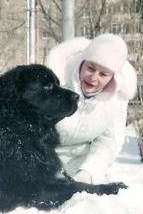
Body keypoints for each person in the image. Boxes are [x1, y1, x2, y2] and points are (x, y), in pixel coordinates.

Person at [45, 33, 137, 184]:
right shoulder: (54, 85)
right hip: (40, 163)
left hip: (80, 166)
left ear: (112, 77)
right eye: (90, 68)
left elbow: (109, 142)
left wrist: (88, 173)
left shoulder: (115, 100)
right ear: (82, 62)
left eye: (103, 74)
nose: (93, 77)